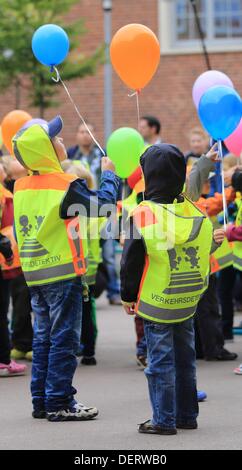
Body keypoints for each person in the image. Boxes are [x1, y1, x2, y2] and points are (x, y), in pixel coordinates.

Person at [12, 116, 119, 422]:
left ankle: (41, 400)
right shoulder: (65, 184)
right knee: (64, 340)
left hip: (34, 274)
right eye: (55, 139)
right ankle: (59, 401)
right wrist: (109, 175)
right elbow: (105, 207)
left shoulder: (21, 186)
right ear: (44, 150)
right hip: (62, 273)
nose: (62, 142)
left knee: (44, 338)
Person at [120, 143, 224, 434]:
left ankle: (163, 420)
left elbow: (131, 261)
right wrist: (203, 164)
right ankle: (187, 415)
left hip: (157, 301)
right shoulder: (192, 209)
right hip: (187, 298)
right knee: (185, 360)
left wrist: (128, 296)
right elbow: (203, 242)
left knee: (160, 363)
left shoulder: (142, 214)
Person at [0, 162, 27, 377]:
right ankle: (3, 359)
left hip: (8, 259)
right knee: (2, 312)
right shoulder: (3, 195)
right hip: (4, 260)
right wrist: (8, 252)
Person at [67, 122, 102, 189]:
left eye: (88, 132)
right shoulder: (70, 155)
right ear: (77, 135)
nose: (85, 135)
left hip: (98, 196)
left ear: (94, 135)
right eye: (82, 132)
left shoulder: (103, 155)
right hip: (79, 196)